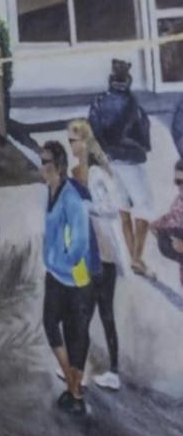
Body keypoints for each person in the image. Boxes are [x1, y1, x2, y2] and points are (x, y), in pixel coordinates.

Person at [38, 140, 96, 416]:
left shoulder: (71, 197)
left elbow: (81, 241)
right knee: (50, 324)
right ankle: (74, 387)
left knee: (76, 335)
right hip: (55, 274)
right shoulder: (49, 192)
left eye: (46, 161)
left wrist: (63, 259)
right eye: (41, 160)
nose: (42, 166)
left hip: (75, 278)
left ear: (58, 165)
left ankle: (75, 393)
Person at [67, 119, 124, 390]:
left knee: (103, 313)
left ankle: (111, 371)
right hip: (90, 253)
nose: (71, 145)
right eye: (69, 141)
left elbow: (114, 206)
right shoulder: (77, 171)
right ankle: (78, 368)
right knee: (85, 312)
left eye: (73, 141)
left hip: (105, 254)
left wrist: (89, 206)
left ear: (84, 141)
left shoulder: (97, 173)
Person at [87, 59, 154, 275]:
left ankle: (133, 257)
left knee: (124, 209)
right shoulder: (132, 104)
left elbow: (93, 130)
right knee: (144, 208)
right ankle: (137, 257)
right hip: (132, 161)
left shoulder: (98, 102)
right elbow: (144, 132)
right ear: (128, 80)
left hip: (111, 161)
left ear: (110, 79)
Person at [153, 159, 183, 287]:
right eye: (178, 182)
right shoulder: (179, 202)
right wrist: (157, 225)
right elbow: (172, 218)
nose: (181, 186)